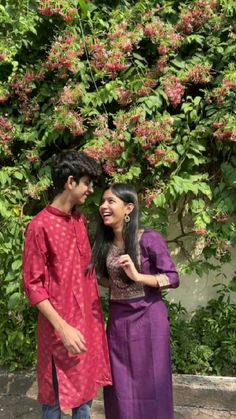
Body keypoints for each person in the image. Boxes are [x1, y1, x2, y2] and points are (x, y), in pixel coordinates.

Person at [22, 150, 112, 419]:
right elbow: (33, 285)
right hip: (58, 330)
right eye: (87, 183)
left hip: (86, 326)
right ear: (70, 182)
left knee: (84, 399)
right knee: (54, 402)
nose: (91, 189)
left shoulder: (79, 220)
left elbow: (85, 273)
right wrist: (63, 328)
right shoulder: (40, 226)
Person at [91, 183, 180, 419]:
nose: (104, 206)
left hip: (149, 320)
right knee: (120, 386)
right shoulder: (104, 244)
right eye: (103, 201)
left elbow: (173, 278)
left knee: (153, 384)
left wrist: (139, 276)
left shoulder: (149, 239)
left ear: (128, 207)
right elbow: (108, 281)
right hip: (119, 323)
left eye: (111, 201)